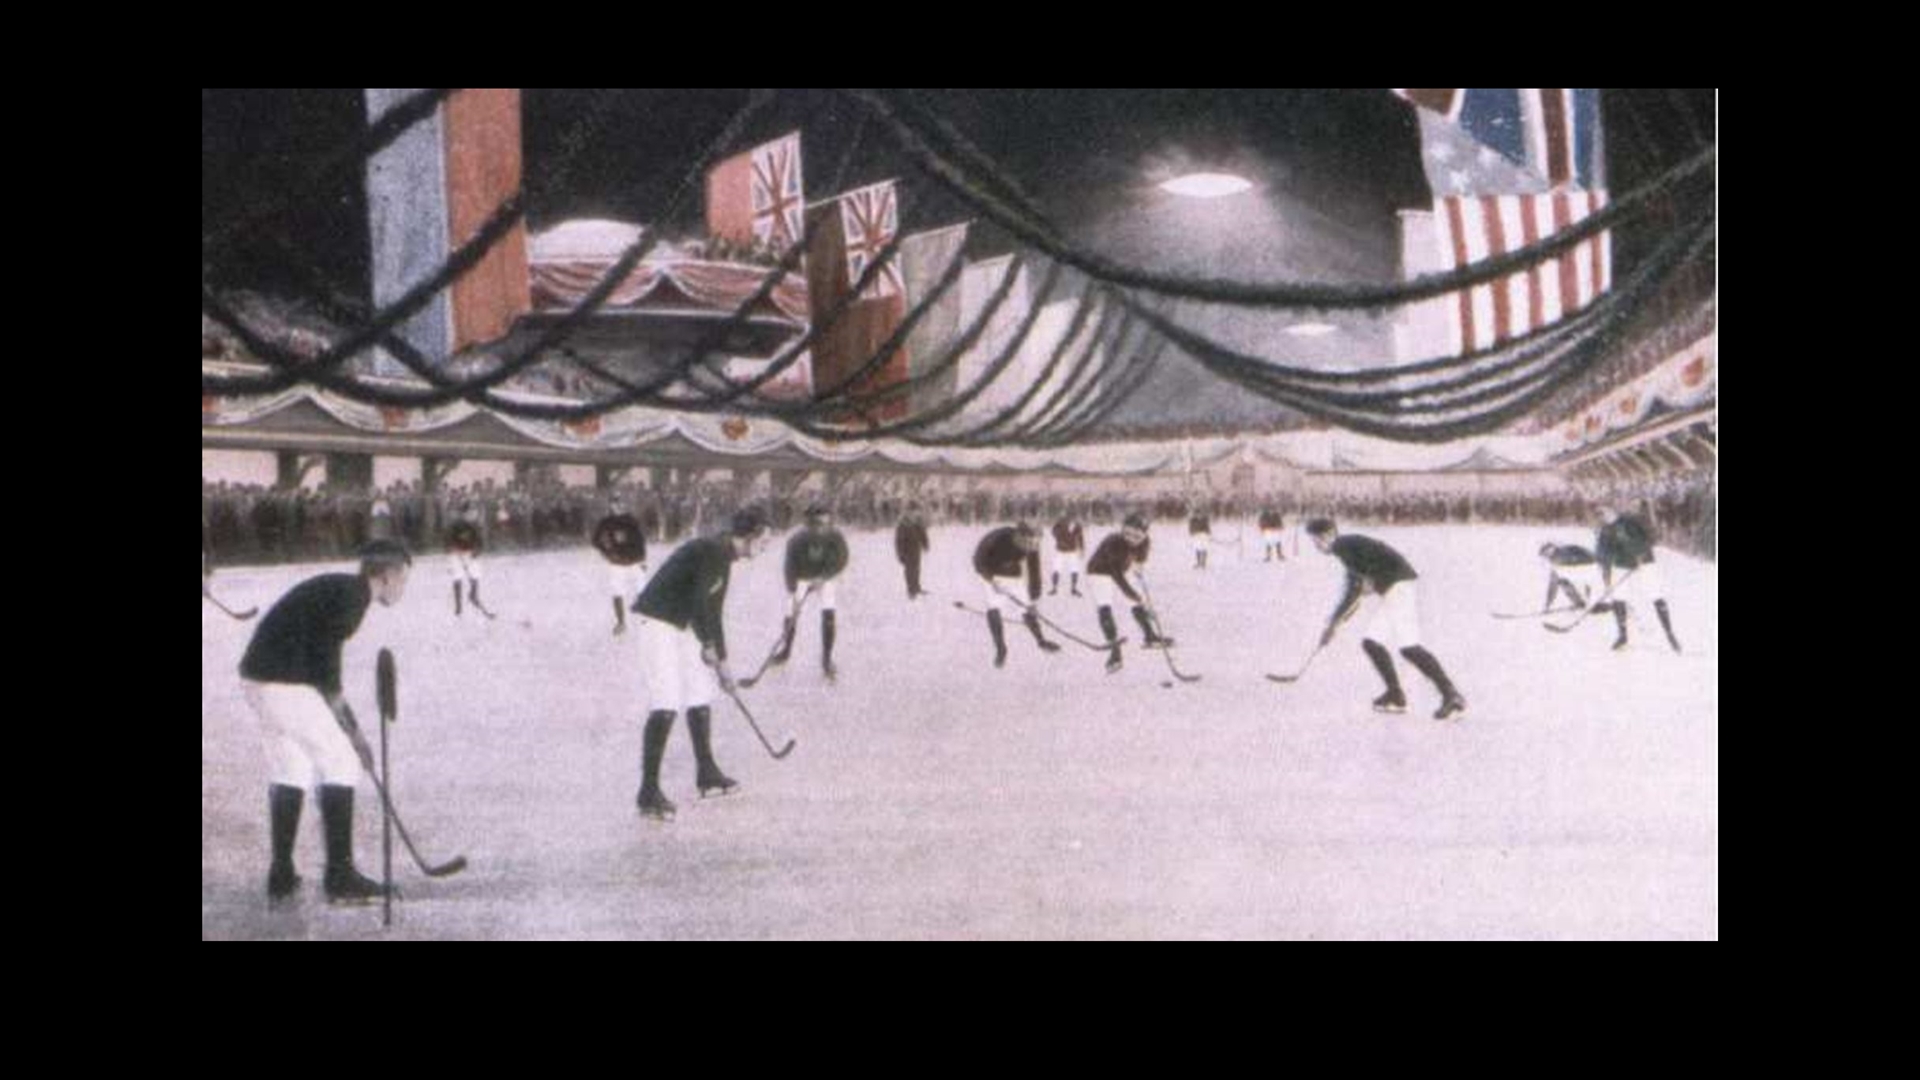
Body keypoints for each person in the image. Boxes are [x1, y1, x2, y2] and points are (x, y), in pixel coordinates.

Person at [239, 540, 412, 904]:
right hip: (284, 682)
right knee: (342, 762)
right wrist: (354, 734)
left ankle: (282, 873)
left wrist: (349, 728)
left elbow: (320, 667)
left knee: (292, 767)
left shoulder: (344, 589)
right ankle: (340, 876)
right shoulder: (352, 599)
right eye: (403, 578)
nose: (402, 588)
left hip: (258, 679)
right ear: (388, 574)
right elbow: (326, 674)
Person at [629, 508, 770, 821]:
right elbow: (700, 603)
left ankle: (707, 773)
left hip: (682, 622)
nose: (766, 546)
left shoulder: (723, 556)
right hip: (657, 621)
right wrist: (709, 649)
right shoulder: (712, 552)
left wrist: (723, 663)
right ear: (749, 536)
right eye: (764, 540)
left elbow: (713, 613)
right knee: (666, 701)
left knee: (699, 693)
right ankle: (648, 792)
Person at [1306, 518, 1466, 721]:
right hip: (1396, 587)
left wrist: (1333, 624)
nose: (1316, 547)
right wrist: (1336, 621)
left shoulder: (1342, 546)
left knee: (1409, 647)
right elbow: (1355, 589)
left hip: (1399, 588)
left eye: (1315, 541)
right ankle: (1396, 695)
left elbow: (1355, 591)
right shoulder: (1347, 546)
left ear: (1326, 536)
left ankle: (1451, 695)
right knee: (1372, 642)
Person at [1087, 513, 1174, 673]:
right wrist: (1135, 596)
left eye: (1137, 535)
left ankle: (1150, 636)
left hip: (1122, 569)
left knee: (1136, 602)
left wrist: (1139, 569)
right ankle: (1114, 649)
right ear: (1123, 530)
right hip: (1099, 571)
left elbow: (1140, 559)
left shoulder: (1144, 542)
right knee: (1105, 605)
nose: (1132, 539)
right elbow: (1118, 577)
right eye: (1128, 534)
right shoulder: (1114, 543)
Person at [774, 505, 850, 680]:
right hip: (802, 577)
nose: (822, 527)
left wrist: (824, 577)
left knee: (829, 613)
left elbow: (842, 559)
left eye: (825, 522)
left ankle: (826, 658)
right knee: (790, 613)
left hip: (825, 577)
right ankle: (786, 650)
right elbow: (789, 567)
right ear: (809, 524)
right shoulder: (796, 540)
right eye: (817, 524)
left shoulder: (835, 536)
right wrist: (793, 590)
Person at [971, 522, 1060, 667]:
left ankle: (1041, 641)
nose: (1030, 547)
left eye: (1034, 543)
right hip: (992, 573)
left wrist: (1034, 599)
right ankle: (1001, 648)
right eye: (1027, 543)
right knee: (994, 607)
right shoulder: (999, 537)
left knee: (1026, 608)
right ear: (1019, 536)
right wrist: (990, 580)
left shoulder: (1032, 544)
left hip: (1013, 574)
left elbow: (1034, 571)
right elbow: (978, 560)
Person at [1594, 506, 1682, 653]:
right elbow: (1602, 553)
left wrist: (1641, 552)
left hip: (1645, 561)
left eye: (1606, 514)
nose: (1604, 517)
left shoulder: (1631, 521)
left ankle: (1670, 634)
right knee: (1618, 597)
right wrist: (1607, 572)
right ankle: (1622, 636)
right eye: (1601, 516)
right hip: (1622, 564)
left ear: (1613, 512)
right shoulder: (1605, 531)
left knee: (1656, 594)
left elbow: (1651, 538)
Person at [592, 498, 649, 636]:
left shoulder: (631, 520)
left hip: (634, 560)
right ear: (610, 506)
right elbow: (595, 541)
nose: (618, 507)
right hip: (617, 563)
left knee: (642, 590)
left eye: (621, 504)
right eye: (615, 504)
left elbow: (640, 540)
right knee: (617, 592)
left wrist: (643, 560)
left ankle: (646, 618)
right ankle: (621, 622)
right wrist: (606, 552)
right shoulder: (605, 523)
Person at [445, 504, 485, 618]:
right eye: (467, 513)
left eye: (471, 513)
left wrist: (477, 552)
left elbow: (481, 542)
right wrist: (451, 547)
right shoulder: (454, 526)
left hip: (470, 554)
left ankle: (473, 595)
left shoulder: (475, 526)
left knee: (475, 575)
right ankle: (458, 605)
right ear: (462, 514)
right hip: (456, 555)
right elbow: (447, 541)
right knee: (457, 577)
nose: (470, 515)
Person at [1538, 542, 1599, 612]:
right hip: (1586, 564)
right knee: (1562, 581)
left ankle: (1588, 602)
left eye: (1547, 556)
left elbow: (1589, 578)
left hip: (1589, 564)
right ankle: (1579, 602)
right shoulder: (1557, 561)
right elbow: (1553, 586)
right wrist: (1547, 605)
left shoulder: (1562, 556)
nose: (1548, 560)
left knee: (1561, 580)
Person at [894, 502, 931, 599]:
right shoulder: (903, 523)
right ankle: (911, 590)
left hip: (916, 549)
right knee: (909, 570)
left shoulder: (917, 521)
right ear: (907, 512)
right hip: (907, 550)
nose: (915, 514)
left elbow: (923, 533)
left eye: (916, 512)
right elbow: (899, 541)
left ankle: (917, 587)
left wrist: (925, 544)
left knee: (917, 569)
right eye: (912, 512)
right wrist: (900, 554)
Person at [1049, 514, 1086, 597]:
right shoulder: (1060, 522)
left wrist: (1082, 549)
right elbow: (1053, 531)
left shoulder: (1078, 526)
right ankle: (1054, 588)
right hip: (1061, 550)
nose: (1075, 520)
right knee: (1056, 568)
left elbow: (1080, 538)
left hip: (1072, 551)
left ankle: (1074, 588)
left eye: (1076, 519)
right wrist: (1059, 539)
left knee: (1074, 569)